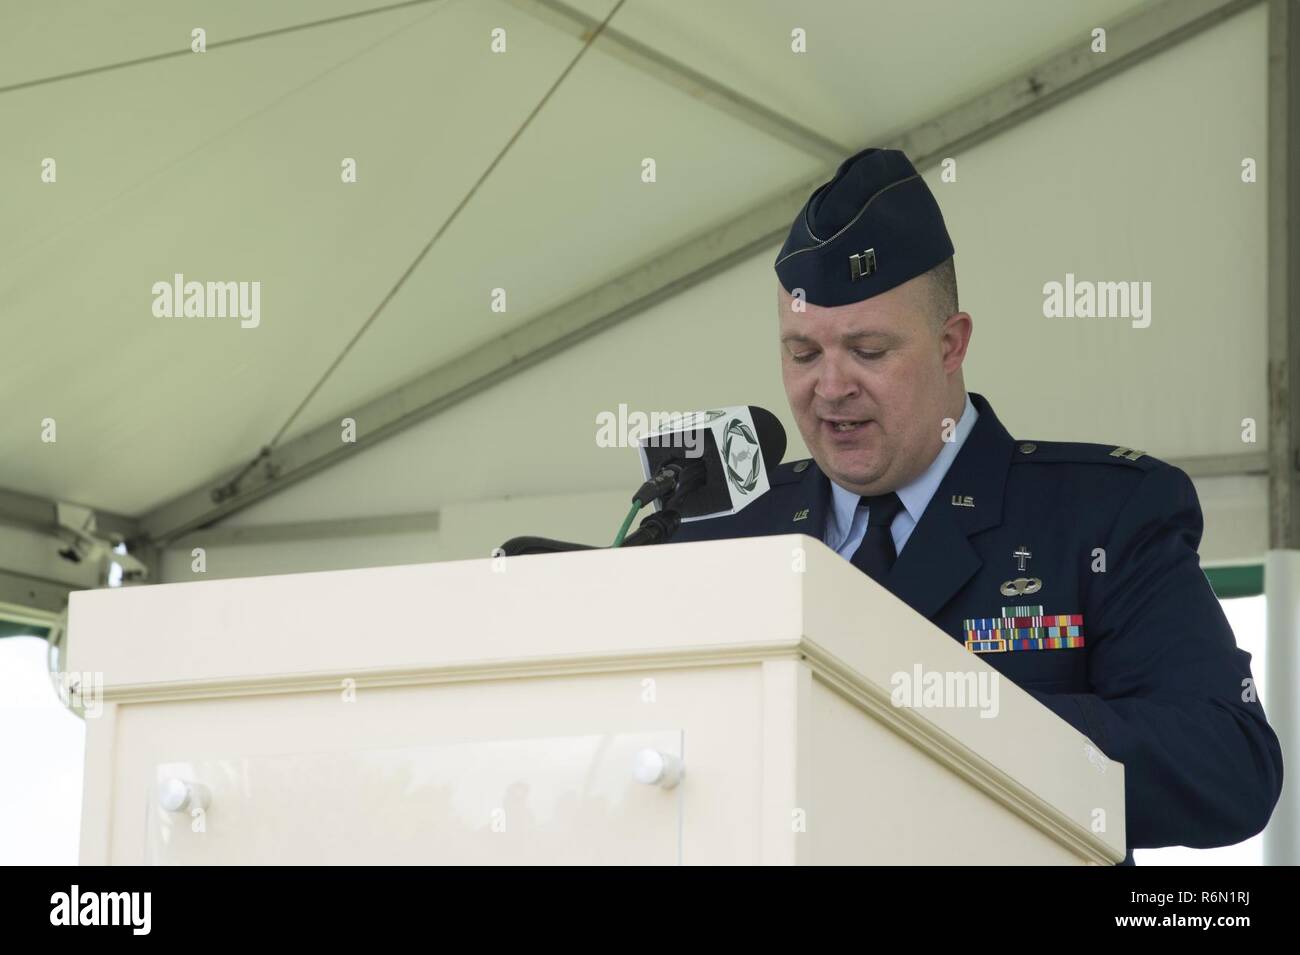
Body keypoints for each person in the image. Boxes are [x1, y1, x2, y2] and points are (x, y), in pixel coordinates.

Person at [667, 147, 1284, 863]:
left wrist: (955, 725)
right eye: (803, 354)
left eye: (866, 350)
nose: (830, 388)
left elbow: (1229, 764)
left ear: (951, 344)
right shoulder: (727, 535)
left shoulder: (1099, 514)